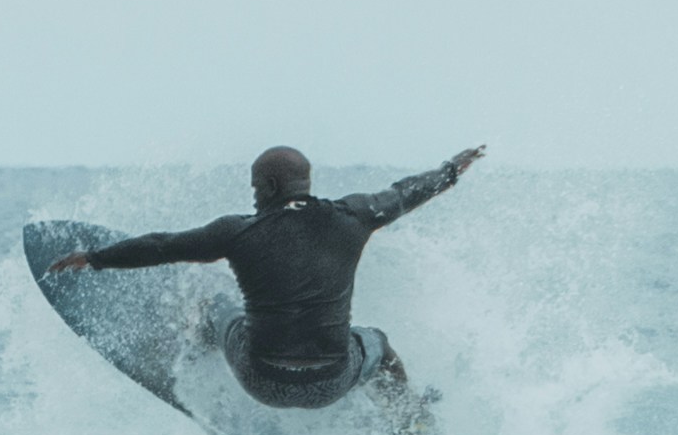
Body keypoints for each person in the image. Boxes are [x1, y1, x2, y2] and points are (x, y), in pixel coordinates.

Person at [41, 143, 483, 410]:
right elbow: (405, 193)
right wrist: (449, 171)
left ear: (268, 187)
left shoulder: (238, 232)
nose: (253, 195)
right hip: (329, 382)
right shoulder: (354, 217)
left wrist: (94, 258)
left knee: (218, 309)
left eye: (256, 186)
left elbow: (162, 246)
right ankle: (410, 415)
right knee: (379, 345)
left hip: (261, 379)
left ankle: (194, 352)